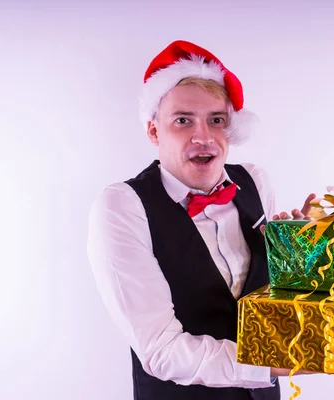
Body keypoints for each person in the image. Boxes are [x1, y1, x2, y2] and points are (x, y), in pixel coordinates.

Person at [87, 40, 314, 400]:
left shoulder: (255, 180)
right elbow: (161, 351)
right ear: (153, 131)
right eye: (182, 120)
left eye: (216, 120)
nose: (203, 137)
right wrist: (269, 365)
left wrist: (300, 254)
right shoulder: (122, 206)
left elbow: (268, 303)